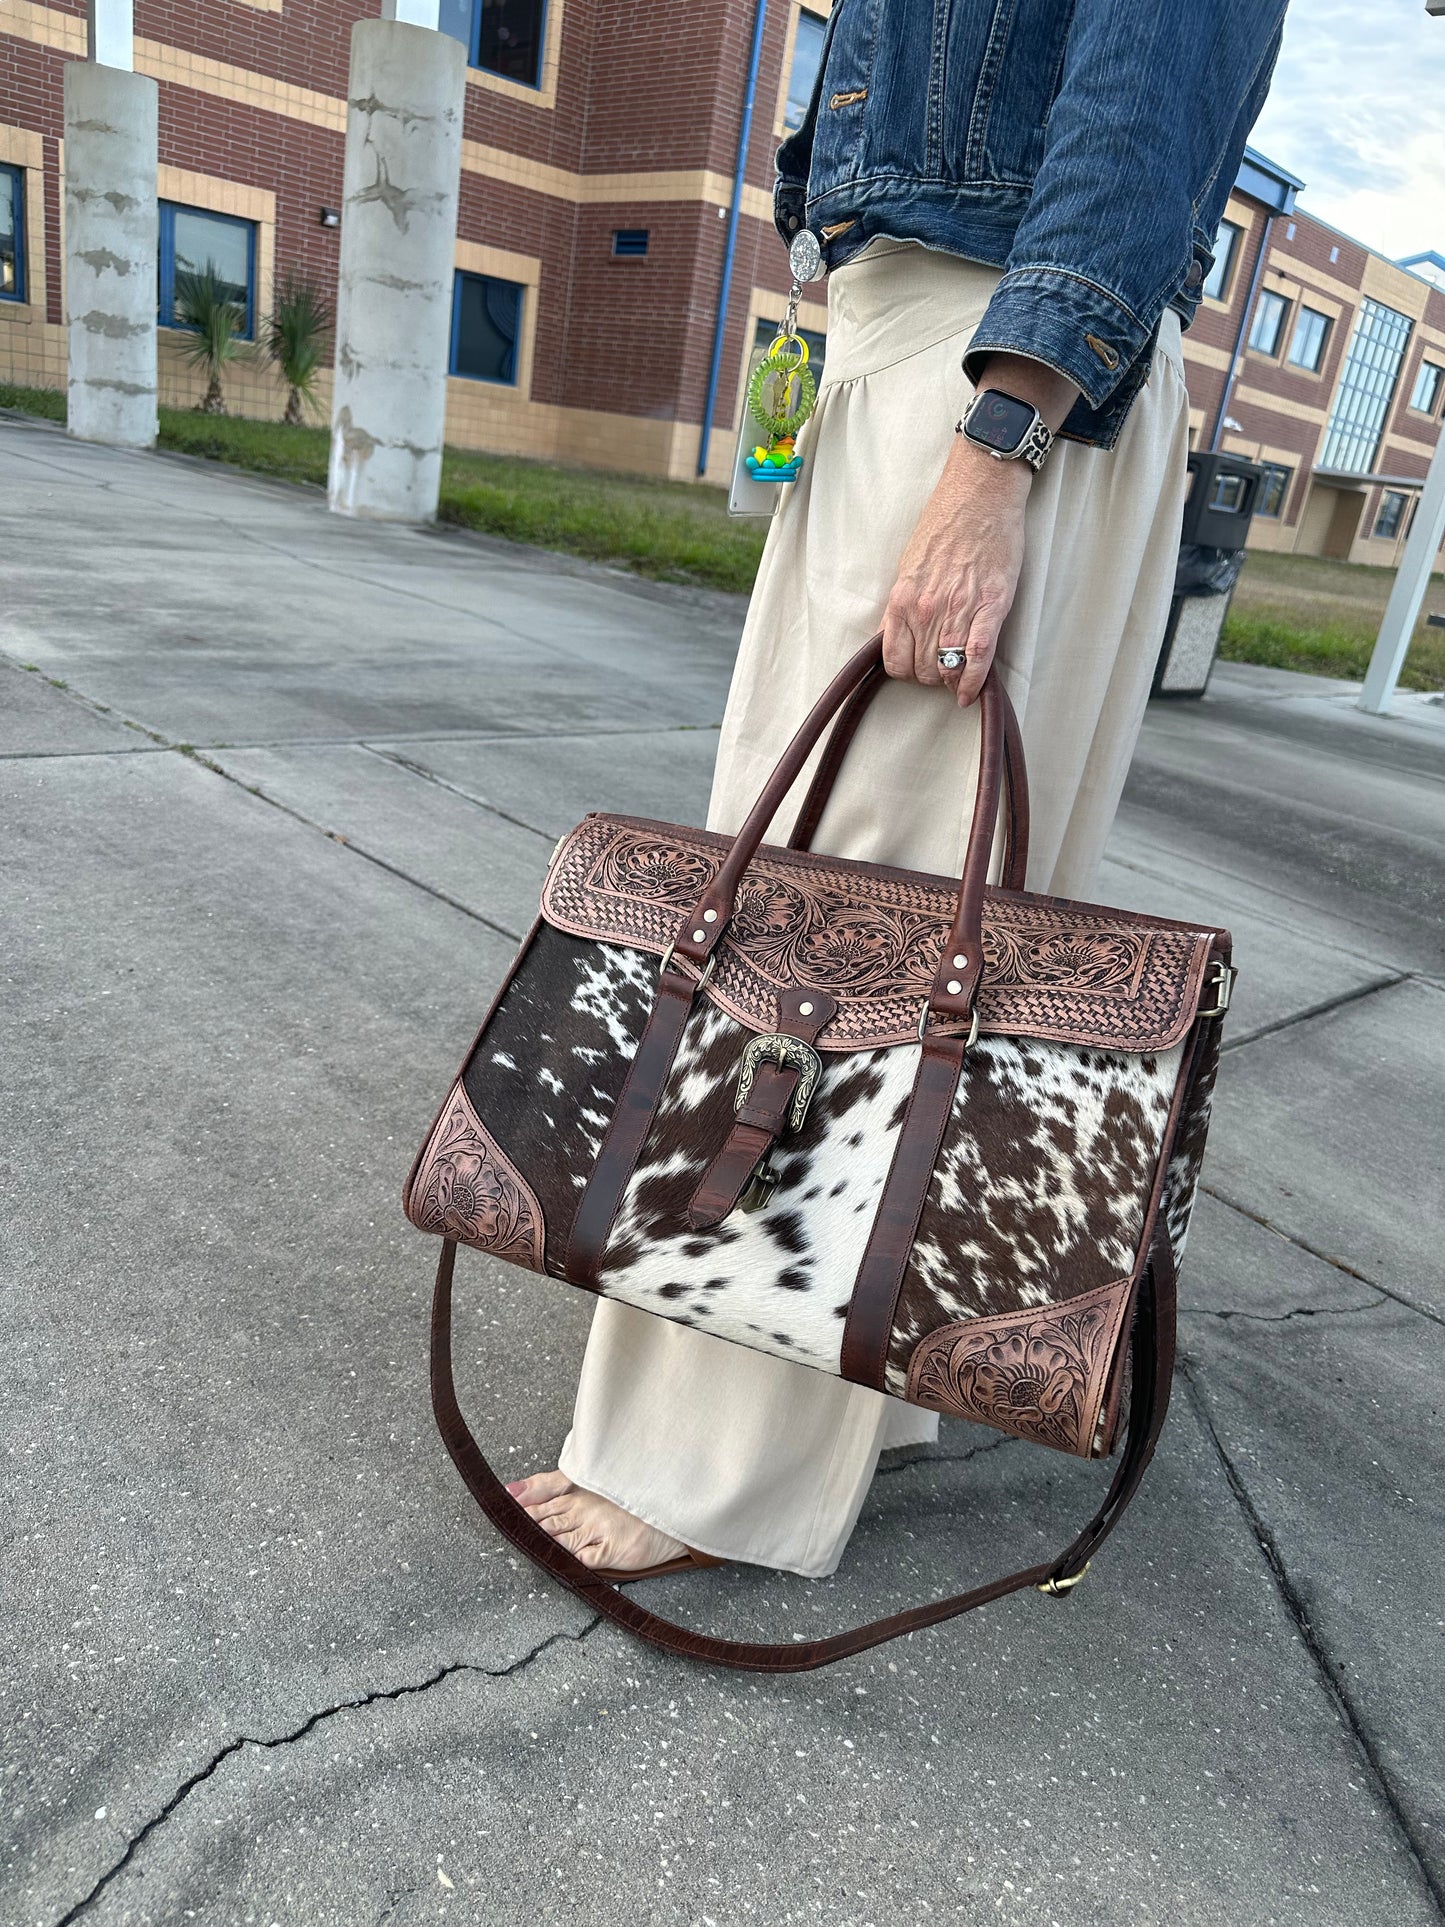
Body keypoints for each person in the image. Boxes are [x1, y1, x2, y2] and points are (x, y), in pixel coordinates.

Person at [511, 0, 1289, 1576]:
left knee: (835, 942)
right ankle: (871, 1355)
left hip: (999, 380)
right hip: (932, 363)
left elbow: (1138, 117)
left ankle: (704, 1467)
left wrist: (991, 452)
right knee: (908, 909)